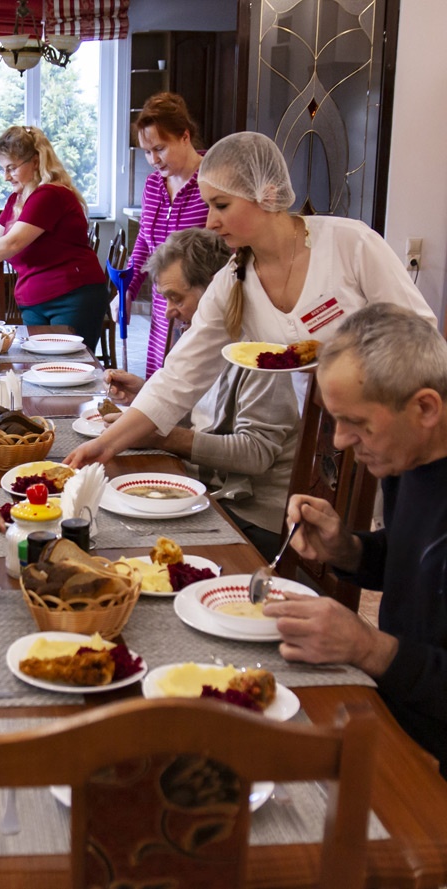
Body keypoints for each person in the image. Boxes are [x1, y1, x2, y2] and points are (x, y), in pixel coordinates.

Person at [66, 131, 437, 470]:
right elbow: (179, 376)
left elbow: (420, 334)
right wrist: (104, 445)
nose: (210, 221)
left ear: (268, 193)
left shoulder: (350, 244)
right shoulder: (232, 281)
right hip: (322, 433)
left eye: (222, 205)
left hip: (400, 423)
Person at [261, 304, 447, 776]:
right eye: (334, 420)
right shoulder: (410, 457)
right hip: (389, 706)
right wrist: (348, 549)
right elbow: (418, 567)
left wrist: (369, 647)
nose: (341, 441)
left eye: (358, 423)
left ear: (425, 407)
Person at [101, 229, 299, 560]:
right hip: (211, 490)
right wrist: (147, 398)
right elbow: (202, 415)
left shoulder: (261, 353)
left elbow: (255, 454)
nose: (167, 312)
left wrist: (160, 437)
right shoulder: (198, 341)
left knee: (128, 541)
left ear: (214, 290)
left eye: (176, 298)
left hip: (251, 516)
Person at [0, 125, 108, 351]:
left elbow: (11, 243)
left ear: (35, 162)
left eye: (12, 168)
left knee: (67, 366)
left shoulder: (50, 195)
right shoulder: (19, 198)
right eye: (3, 169)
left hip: (70, 298)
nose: (6, 177)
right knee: (41, 367)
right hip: (35, 301)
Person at [126, 92, 209, 378]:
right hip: (164, 306)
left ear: (184, 137)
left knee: (191, 388)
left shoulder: (212, 179)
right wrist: (128, 288)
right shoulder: (153, 186)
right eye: (146, 152)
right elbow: (144, 243)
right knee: (161, 384)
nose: (152, 160)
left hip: (202, 307)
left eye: (159, 148)